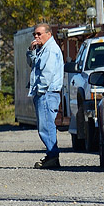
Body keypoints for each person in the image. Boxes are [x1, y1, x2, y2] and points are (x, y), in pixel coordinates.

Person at [27, 22, 65, 168]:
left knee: (46, 127)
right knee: (45, 126)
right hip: (45, 93)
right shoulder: (43, 49)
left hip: (46, 94)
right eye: (34, 34)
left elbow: (46, 73)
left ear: (49, 34)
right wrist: (31, 51)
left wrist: (40, 90)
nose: (36, 37)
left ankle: (53, 156)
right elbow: (33, 64)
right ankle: (51, 155)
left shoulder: (50, 50)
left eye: (39, 34)